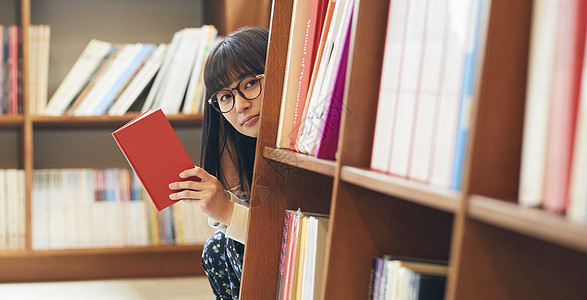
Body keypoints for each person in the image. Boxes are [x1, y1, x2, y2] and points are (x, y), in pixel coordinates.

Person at [168, 26, 269, 299]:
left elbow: (294, 244)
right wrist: (222, 206)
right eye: (225, 96)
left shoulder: (304, 150)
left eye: (250, 83)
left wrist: (228, 212)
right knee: (217, 248)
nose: (240, 106)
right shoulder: (243, 152)